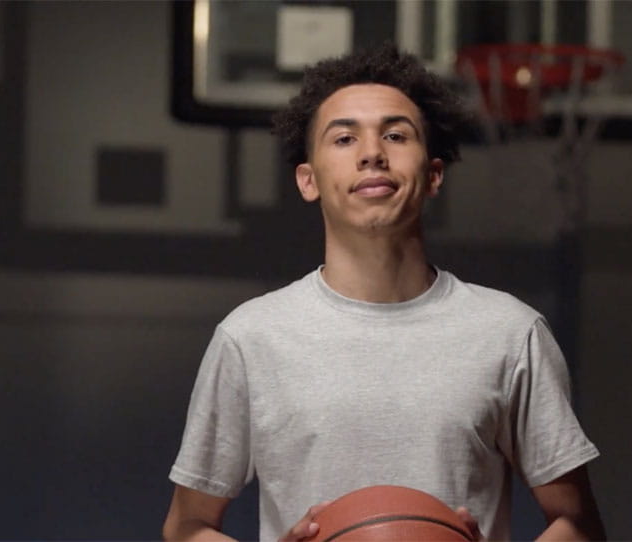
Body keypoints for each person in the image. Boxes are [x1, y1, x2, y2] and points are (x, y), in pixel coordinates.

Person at [162, 43, 605, 542]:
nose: (372, 153)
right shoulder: (251, 337)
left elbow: (577, 522)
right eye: (344, 138)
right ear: (308, 180)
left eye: (395, 135)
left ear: (433, 175)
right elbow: (187, 527)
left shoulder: (509, 332)